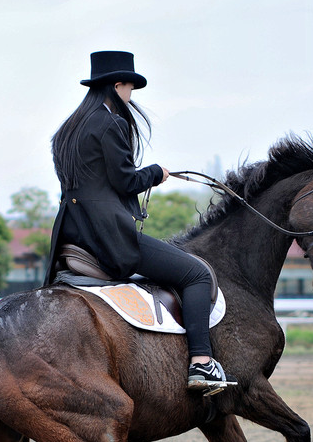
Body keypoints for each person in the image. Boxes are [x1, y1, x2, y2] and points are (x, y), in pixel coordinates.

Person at [45, 50, 236, 392]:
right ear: (117, 85)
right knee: (195, 273)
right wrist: (155, 173)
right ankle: (202, 364)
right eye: (129, 87)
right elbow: (125, 181)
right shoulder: (110, 122)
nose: (130, 95)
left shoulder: (66, 131)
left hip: (72, 233)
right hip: (107, 238)